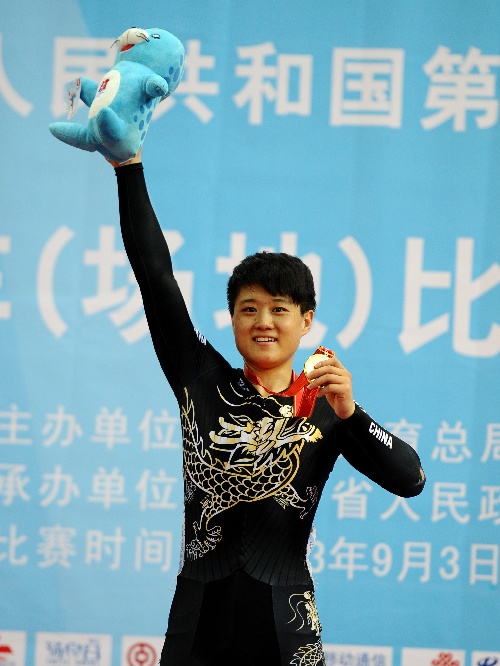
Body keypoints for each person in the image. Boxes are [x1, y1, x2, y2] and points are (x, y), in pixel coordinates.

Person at [111, 149, 425, 666]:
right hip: (197, 617)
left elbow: (411, 479)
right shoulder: (199, 377)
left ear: (306, 321)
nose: (263, 322)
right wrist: (128, 167)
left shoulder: (329, 406)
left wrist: (352, 413)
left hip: (285, 623)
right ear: (232, 319)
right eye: (249, 309)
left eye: (280, 309)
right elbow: (155, 275)